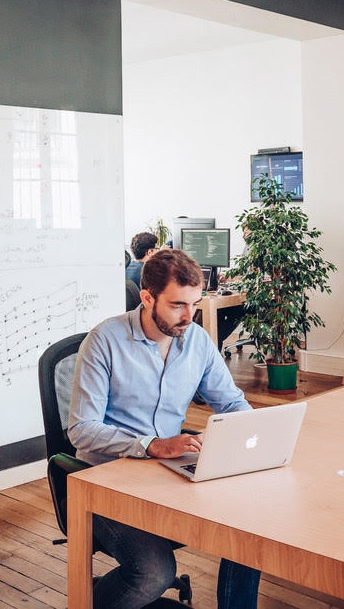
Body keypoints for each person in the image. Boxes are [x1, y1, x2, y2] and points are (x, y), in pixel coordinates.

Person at [68, 247, 261, 608]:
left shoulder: (197, 341)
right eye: (177, 305)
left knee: (252, 521)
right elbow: (82, 430)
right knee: (154, 570)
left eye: (195, 303)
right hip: (106, 482)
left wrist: (254, 432)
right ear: (147, 297)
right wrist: (153, 445)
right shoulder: (104, 342)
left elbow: (231, 403)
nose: (189, 316)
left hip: (169, 473)